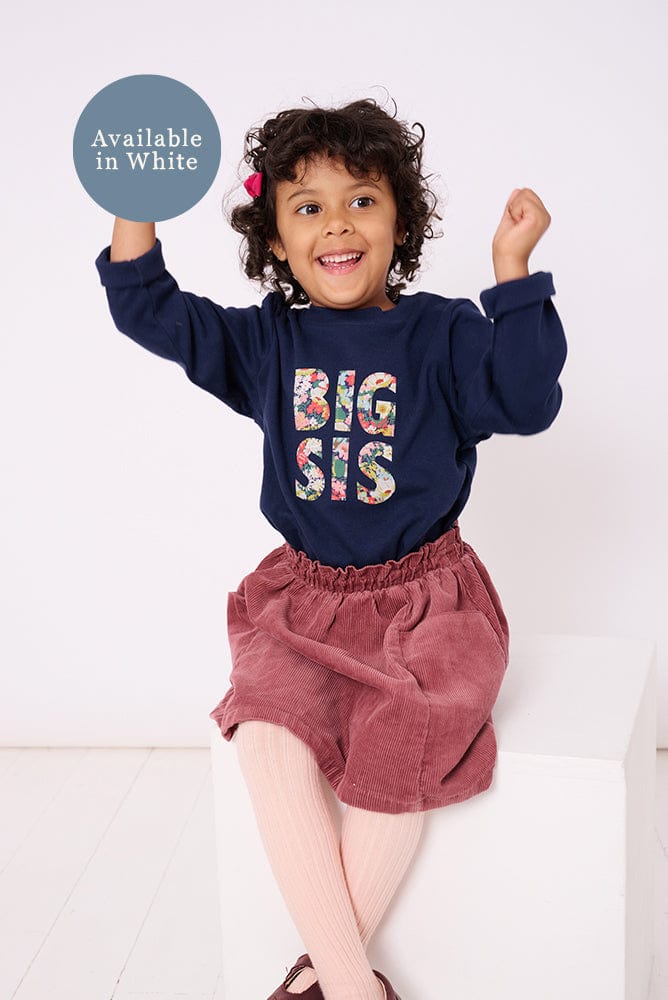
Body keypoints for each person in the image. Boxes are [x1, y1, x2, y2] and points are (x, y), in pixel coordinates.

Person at [95, 98, 567, 1000]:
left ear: (401, 225)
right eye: (306, 207)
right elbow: (148, 309)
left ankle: (328, 982)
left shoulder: (443, 332)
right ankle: (357, 986)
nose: (337, 225)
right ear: (275, 239)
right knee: (266, 732)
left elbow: (527, 399)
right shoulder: (264, 341)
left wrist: (513, 273)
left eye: (362, 201)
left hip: (427, 606)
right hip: (303, 601)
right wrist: (134, 196)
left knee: (399, 756)